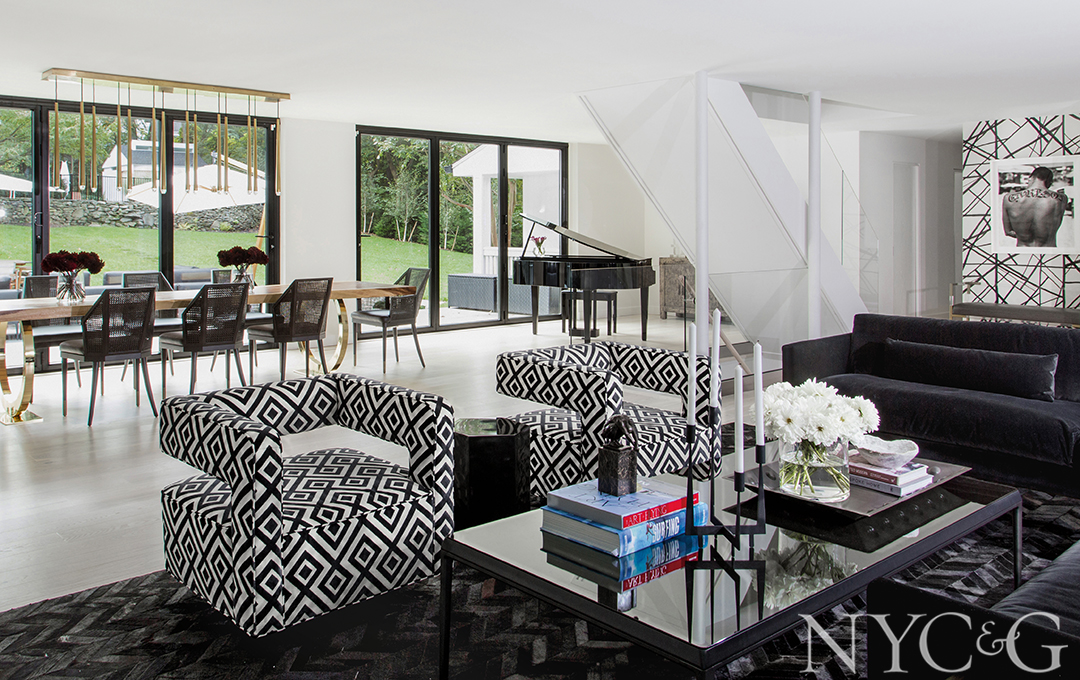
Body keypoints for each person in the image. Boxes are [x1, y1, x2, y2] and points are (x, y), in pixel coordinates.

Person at [1002, 166, 1068, 247]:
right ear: (1049, 182)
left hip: (1023, 249)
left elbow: (1008, 231)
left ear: (1030, 178)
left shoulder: (1008, 198)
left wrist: (1023, 236)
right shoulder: (1060, 199)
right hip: (1047, 249)